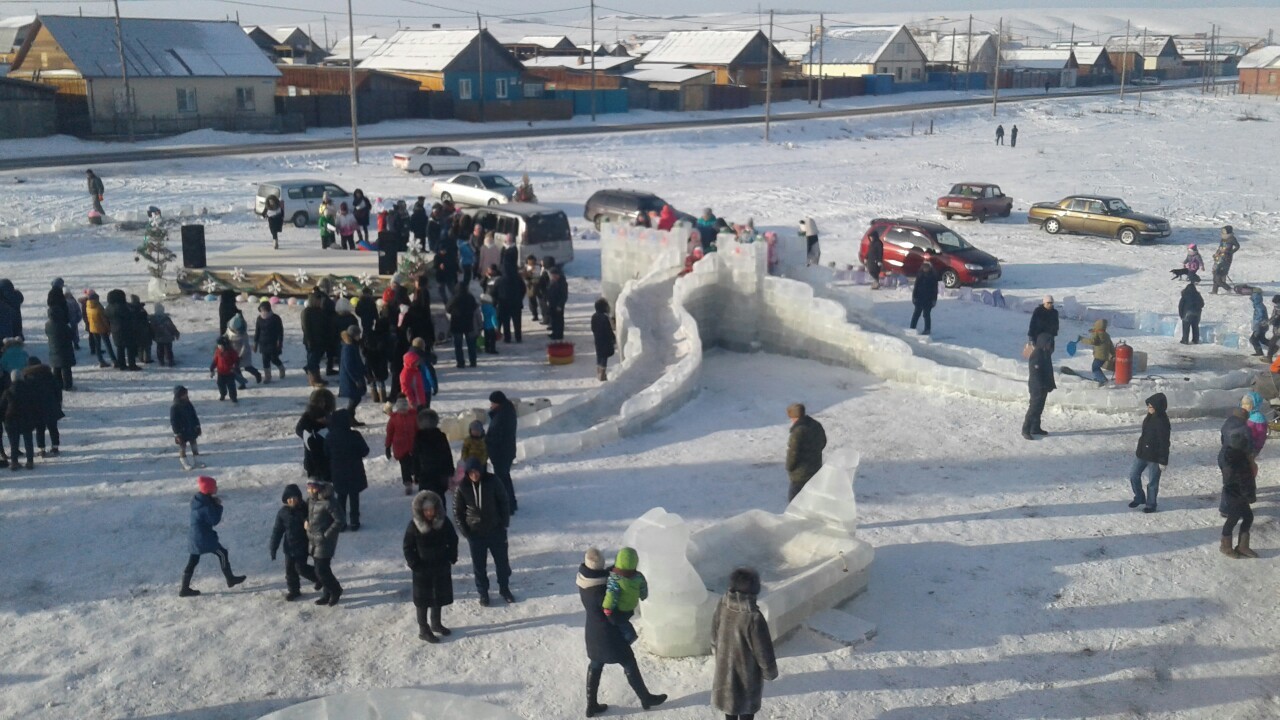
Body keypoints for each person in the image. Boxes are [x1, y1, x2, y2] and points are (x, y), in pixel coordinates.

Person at [578, 547, 668, 717]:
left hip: (593, 632)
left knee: (595, 665)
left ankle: (591, 705)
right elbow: (613, 617)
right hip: (608, 635)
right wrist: (628, 613)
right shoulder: (602, 590)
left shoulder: (584, 580)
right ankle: (645, 698)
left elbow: (607, 574)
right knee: (629, 662)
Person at [712, 566, 778, 720]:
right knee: (746, 712)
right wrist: (769, 672)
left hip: (724, 670)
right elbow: (763, 651)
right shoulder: (753, 617)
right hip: (746, 675)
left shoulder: (723, 603)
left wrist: (718, 653)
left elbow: (714, 632)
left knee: (730, 709)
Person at [454, 458, 514, 606]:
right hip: (475, 533)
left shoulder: (493, 481)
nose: (474, 475)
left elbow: (503, 501)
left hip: (495, 530)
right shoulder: (463, 487)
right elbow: (457, 511)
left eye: (476, 472)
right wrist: (465, 531)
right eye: (471, 473)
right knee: (479, 566)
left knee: (502, 563)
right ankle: (483, 593)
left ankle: (504, 589)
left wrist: (503, 524)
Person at [404, 490, 459, 643]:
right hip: (422, 569)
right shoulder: (414, 525)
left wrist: (451, 556)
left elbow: (453, 539)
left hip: (441, 566)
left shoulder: (443, 522)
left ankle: (436, 623)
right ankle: (423, 629)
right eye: (426, 510)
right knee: (422, 601)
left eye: (431, 509)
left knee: (438, 597)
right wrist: (414, 564)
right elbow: (408, 547)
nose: (429, 512)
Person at [179, 476, 246, 597]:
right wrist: (218, 506)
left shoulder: (199, 500)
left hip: (195, 536)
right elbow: (214, 520)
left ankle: (184, 588)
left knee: (193, 561)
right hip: (203, 537)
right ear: (209, 489)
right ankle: (230, 579)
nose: (217, 488)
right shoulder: (206, 506)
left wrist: (212, 502)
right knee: (222, 553)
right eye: (215, 486)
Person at [269, 483, 320, 601]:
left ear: (299, 497)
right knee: (290, 571)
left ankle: (319, 578)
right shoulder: (283, 513)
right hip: (289, 547)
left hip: (302, 546)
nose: (292, 500)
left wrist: (308, 521)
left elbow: (314, 517)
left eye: (294, 497)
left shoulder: (304, 508)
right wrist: (273, 547)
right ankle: (294, 591)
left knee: (301, 568)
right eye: (289, 498)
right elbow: (277, 531)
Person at [326, 408, 369, 532]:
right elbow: (365, 450)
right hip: (355, 470)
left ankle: (341, 521)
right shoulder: (355, 435)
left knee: (341, 497)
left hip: (338, 472)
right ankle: (354, 521)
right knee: (354, 496)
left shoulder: (330, 437)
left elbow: (326, 453)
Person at [1219, 427, 1257, 558]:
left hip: (1238, 495)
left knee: (1248, 517)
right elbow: (1243, 482)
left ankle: (1242, 546)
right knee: (1233, 519)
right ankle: (1226, 546)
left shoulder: (1235, 458)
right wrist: (1250, 496)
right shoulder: (1237, 463)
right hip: (1235, 496)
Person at [306, 479, 345, 605]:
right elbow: (311, 515)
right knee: (322, 569)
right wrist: (306, 522)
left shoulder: (329, 502)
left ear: (320, 488)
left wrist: (325, 535)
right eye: (309, 488)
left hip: (325, 542)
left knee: (321, 570)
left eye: (313, 488)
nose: (310, 491)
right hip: (313, 540)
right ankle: (326, 593)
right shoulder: (312, 500)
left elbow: (339, 520)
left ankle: (335, 590)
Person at [1128, 393, 1169, 513]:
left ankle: (1151, 504)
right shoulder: (1149, 417)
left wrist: (1163, 460)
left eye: (1151, 407)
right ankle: (1139, 497)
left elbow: (1164, 443)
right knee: (1133, 475)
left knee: (1153, 483)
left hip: (1155, 458)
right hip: (1142, 454)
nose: (1148, 409)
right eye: (1148, 406)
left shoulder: (1162, 422)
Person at [601, 547, 647, 645]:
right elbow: (643, 588)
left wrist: (607, 607)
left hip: (620, 608)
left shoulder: (615, 578)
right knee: (623, 620)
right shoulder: (639, 576)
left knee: (620, 622)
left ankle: (629, 638)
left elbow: (612, 593)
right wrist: (643, 596)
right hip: (631, 606)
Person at [785, 402, 827, 501]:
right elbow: (823, 442)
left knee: (794, 502)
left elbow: (793, 452)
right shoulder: (816, 425)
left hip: (800, 473)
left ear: (794, 416)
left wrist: (789, 466)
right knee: (812, 499)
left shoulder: (798, 431)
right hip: (816, 468)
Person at [414, 408, 454, 510]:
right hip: (440, 474)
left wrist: (415, 473)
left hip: (425, 474)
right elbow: (447, 454)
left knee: (425, 498)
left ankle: (426, 517)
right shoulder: (440, 436)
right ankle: (441, 517)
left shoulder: (419, 437)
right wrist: (449, 472)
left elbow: (415, 457)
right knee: (439, 497)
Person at [24, 357, 63, 458]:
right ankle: (55, 447)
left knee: (40, 429)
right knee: (53, 427)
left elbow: (27, 395)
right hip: (51, 405)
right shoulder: (49, 375)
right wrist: (58, 402)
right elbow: (58, 389)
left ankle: (41, 449)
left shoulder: (28, 377)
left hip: (36, 407)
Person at [487, 390, 519, 513]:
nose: (491, 405)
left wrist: (486, 441)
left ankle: (508, 506)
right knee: (505, 478)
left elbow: (496, 437)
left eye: (492, 403)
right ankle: (511, 503)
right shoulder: (506, 411)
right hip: (506, 452)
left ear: (498, 403)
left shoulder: (502, 417)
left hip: (501, 453)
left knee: (502, 481)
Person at [295, 388, 335, 481]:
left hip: (325, 458)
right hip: (315, 459)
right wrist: (312, 432)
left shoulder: (329, 416)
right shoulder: (309, 417)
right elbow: (299, 430)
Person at [1, 368, 36, 469]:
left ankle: (14, 462)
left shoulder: (7, 392)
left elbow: (2, 407)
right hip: (27, 419)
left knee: (13, 443)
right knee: (28, 441)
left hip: (11, 420)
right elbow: (35, 405)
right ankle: (30, 461)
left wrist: (3, 419)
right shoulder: (29, 390)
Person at [1023, 333, 1056, 440]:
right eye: (1048, 343)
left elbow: (1048, 371)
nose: (1050, 346)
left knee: (1039, 408)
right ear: (1042, 343)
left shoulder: (1045, 354)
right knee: (1033, 408)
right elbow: (1035, 373)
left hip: (1044, 386)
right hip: (1036, 387)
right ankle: (1026, 429)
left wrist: (1049, 384)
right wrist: (1040, 386)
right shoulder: (1037, 354)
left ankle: (1035, 428)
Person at [386, 397, 419, 495]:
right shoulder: (393, 419)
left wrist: (421, 440)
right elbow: (389, 433)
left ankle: (417, 477)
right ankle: (408, 483)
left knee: (416, 463)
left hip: (413, 446)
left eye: (405, 409)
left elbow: (418, 429)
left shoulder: (413, 416)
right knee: (404, 466)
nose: (403, 412)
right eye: (401, 410)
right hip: (400, 447)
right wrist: (387, 446)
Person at [446, 283, 479, 369]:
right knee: (471, 344)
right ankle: (473, 361)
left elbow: (448, 309)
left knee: (458, 345)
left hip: (457, 323)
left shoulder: (454, 298)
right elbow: (475, 307)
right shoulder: (470, 297)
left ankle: (460, 362)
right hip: (468, 323)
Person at [170, 385, 203, 470]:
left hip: (191, 428)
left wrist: (197, 426)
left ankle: (197, 461)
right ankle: (185, 463)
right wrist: (177, 434)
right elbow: (174, 422)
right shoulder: (174, 407)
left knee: (194, 445)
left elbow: (194, 415)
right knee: (182, 447)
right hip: (181, 432)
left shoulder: (188, 403)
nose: (186, 395)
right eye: (184, 394)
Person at [338, 328, 367, 422]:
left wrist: (365, 373)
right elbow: (349, 366)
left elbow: (358, 361)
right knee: (355, 398)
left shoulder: (353, 345)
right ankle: (349, 418)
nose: (359, 336)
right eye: (358, 334)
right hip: (350, 379)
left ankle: (350, 418)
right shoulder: (348, 347)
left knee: (355, 398)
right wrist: (356, 380)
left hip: (354, 377)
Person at [496, 253, 526, 344]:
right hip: (516, 303)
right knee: (517, 322)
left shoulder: (499, 280)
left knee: (506, 322)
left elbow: (494, 291)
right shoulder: (518, 278)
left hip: (504, 304)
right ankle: (518, 337)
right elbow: (523, 289)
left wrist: (497, 300)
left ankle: (507, 338)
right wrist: (520, 297)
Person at [105, 289, 137, 370]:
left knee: (120, 348)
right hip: (126, 329)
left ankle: (122, 365)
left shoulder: (108, 307)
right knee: (130, 347)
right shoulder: (121, 307)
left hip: (115, 330)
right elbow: (129, 315)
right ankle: (132, 365)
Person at [226, 309, 260, 386]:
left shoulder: (243, 335)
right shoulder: (230, 330)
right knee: (236, 369)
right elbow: (226, 336)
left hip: (243, 354)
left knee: (247, 367)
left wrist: (240, 356)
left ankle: (257, 374)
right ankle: (242, 383)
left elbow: (245, 346)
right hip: (233, 353)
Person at [44, 305, 75, 390]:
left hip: (53, 349)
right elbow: (71, 335)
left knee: (56, 368)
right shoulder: (63, 325)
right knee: (66, 369)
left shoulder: (48, 325)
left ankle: (57, 385)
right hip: (64, 350)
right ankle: (68, 386)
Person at [1077, 319, 1115, 386]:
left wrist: (1082, 339)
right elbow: (1111, 346)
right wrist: (1114, 354)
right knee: (1097, 367)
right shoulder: (1107, 335)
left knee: (1095, 368)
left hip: (1099, 355)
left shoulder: (1097, 334)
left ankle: (1103, 380)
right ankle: (1099, 378)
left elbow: (1092, 341)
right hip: (1105, 356)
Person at [301, 293, 328, 388]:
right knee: (312, 360)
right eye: (318, 300)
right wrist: (309, 342)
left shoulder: (320, 311)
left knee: (316, 360)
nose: (320, 302)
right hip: (311, 340)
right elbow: (306, 328)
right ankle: (313, 379)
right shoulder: (307, 312)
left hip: (320, 340)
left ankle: (317, 377)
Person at [252, 301, 284, 382]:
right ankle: (267, 376)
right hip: (263, 343)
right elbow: (257, 331)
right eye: (261, 309)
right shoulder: (259, 319)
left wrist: (279, 342)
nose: (263, 311)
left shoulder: (275, 318)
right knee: (265, 360)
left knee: (274, 359)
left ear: (268, 309)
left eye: (264, 309)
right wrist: (255, 343)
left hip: (273, 342)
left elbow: (280, 332)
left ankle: (281, 368)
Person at [84, 291, 117, 368]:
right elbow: (104, 320)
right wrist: (108, 329)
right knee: (108, 345)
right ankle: (114, 360)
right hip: (102, 328)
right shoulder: (98, 307)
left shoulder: (87, 306)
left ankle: (101, 361)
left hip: (93, 328)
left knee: (97, 345)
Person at [910, 253, 939, 335]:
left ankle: (927, 329)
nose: (925, 268)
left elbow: (935, 290)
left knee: (926, 315)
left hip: (928, 300)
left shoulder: (933, 276)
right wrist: (914, 296)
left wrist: (934, 300)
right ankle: (912, 328)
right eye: (924, 267)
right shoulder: (920, 275)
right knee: (916, 314)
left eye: (927, 267)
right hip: (919, 298)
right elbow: (916, 286)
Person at [591, 298, 616, 382]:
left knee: (599, 355)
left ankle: (598, 372)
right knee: (604, 357)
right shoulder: (604, 318)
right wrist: (613, 338)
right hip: (605, 340)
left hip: (597, 339)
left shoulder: (594, 316)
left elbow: (592, 328)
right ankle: (602, 374)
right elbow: (608, 330)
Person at [1211, 225, 1240, 295]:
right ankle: (1214, 291)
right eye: (1222, 231)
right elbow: (1220, 248)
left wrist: (1231, 252)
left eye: (1224, 231)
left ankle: (1228, 288)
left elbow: (1237, 246)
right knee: (1215, 273)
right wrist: (1216, 254)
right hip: (1219, 258)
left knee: (1218, 275)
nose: (1223, 232)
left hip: (1226, 259)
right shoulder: (1222, 239)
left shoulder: (1232, 238)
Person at [210, 336, 239, 403]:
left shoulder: (231, 352)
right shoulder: (218, 351)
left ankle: (233, 397)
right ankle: (223, 394)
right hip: (220, 373)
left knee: (231, 386)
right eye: (218, 345)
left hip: (230, 373)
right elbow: (215, 360)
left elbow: (236, 360)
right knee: (220, 384)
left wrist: (235, 366)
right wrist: (212, 368)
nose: (219, 346)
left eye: (220, 345)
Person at [150, 303, 181, 367]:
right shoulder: (166, 318)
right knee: (168, 350)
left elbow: (151, 328)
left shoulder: (153, 319)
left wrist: (152, 335)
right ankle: (170, 361)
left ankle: (161, 361)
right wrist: (176, 333)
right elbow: (171, 327)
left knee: (159, 349)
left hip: (158, 337)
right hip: (168, 337)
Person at [547, 265, 569, 341]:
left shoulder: (562, 283)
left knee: (559, 320)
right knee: (553, 319)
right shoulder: (552, 282)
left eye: (553, 275)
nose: (552, 277)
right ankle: (554, 333)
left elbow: (564, 296)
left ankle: (559, 334)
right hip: (552, 303)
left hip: (558, 305)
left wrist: (560, 305)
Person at [521, 255, 541, 323]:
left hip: (537, 285)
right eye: (529, 261)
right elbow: (525, 275)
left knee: (540, 300)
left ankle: (543, 315)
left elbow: (538, 275)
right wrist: (529, 272)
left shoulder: (538, 267)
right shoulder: (526, 267)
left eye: (532, 261)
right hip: (530, 286)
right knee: (532, 301)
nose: (531, 262)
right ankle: (534, 314)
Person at [1248, 287, 1268, 356]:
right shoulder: (1259, 305)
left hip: (1260, 325)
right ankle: (1274, 347)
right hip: (1262, 325)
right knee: (1262, 339)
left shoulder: (1259, 306)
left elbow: (1260, 315)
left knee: (1253, 339)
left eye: (1253, 296)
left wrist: (1257, 325)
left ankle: (1259, 352)